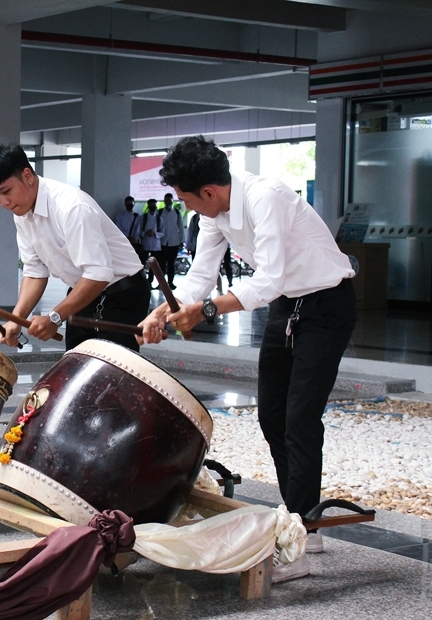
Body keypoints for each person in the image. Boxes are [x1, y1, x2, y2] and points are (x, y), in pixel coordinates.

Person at [136, 135, 356, 583]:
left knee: (300, 418)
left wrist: (208, 310)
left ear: (208, 191)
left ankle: (297, 540)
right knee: (272, 416)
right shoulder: (214, 211)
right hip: (287, 307)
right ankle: (302, 521)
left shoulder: (264, 197)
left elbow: (269, 279)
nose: (187, 207)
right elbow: (200, 275)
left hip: (326, 306)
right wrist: (162, 311)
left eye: (186, 199)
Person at [0, 144, 150, 352]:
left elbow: (99, 273)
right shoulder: (22, 214)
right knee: (75, 363)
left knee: (111, 366)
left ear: (27, 176)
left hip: (123, 292)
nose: (4, 202)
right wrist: (16, 318)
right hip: (84, 291)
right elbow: (35, 272)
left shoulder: (71, 206)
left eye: (6, 191)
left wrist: (55, 317)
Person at [157, 192, 184, 289]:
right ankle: (161, 284)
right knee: (161, 264)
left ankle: (170, 283)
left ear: (173, 201)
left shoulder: (177, 212)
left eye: (170, 200)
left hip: (174, 242)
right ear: (164, 201)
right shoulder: (160, 212)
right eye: (166, 200)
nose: (168, 202)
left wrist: (182, 241)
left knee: (171, 264)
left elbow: (181, 227)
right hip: (162, 242)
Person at [137, 198, 163, 288]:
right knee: (142, 264)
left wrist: (155, 233)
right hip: (145, 245)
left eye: (154, 205)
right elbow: (138, 231)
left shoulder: (160, 219)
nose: (152, 206)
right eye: (151, 205)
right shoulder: (143, 218)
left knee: (154, 265)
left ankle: (150, 281)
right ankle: (142, 282)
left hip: (156, 246)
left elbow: (163, 232)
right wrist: (145, 233)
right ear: (148, 206)